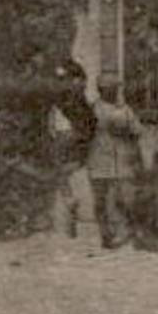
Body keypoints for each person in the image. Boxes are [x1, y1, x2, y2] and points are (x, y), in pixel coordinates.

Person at [87, 86, 156, 251]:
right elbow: (85, 131)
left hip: (122, 160)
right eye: (107, 89)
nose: (112, 92)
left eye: (114, 89)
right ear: (101, 90)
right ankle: (106, 235)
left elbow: (138, 130)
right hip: (98, 160)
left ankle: (131, 235)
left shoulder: (124, 110)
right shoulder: (93, 109)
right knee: (101, 200)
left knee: (125, 198)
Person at [47, 59, 96, 239]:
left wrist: (69, 136)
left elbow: (86, 129)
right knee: (59, 172)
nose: (62, 84)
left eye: (65, 79)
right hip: (65, 145)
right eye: (60, 80)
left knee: (61, 171)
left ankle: (70, 204)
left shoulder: (77, 104)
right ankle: (69, 205)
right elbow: (52, 126)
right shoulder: (61, 103)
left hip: (75, 147)